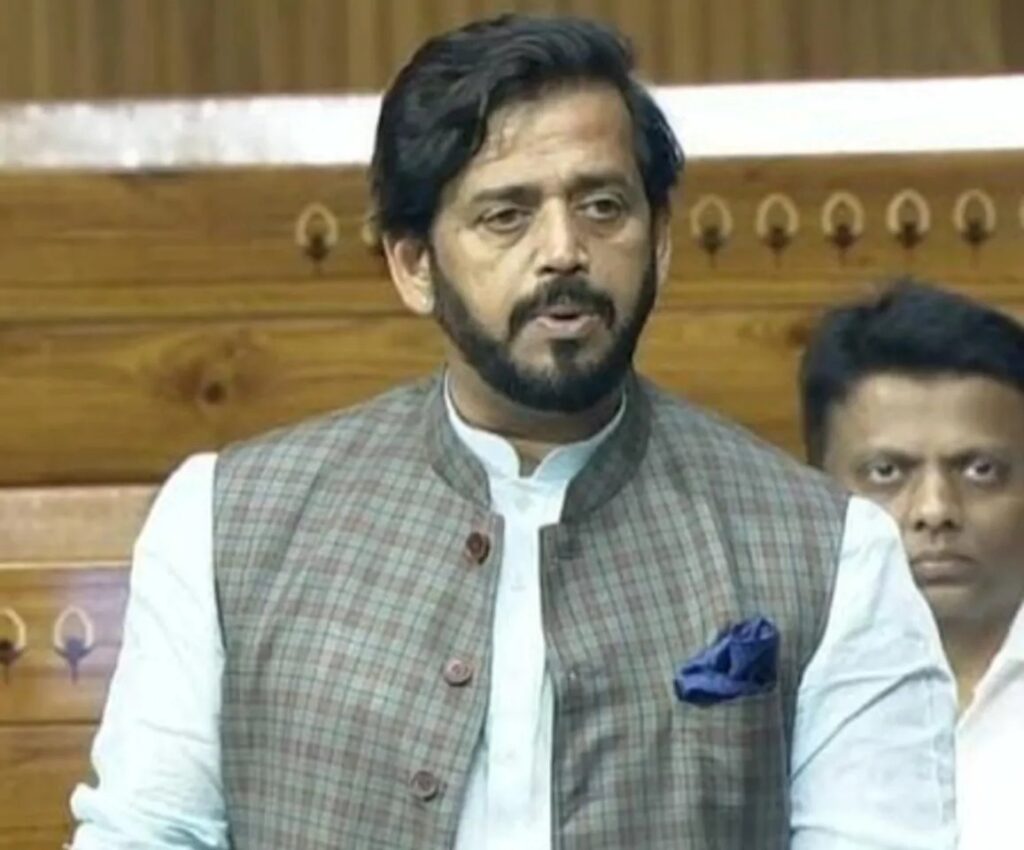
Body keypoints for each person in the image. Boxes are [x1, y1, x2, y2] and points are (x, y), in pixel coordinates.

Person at [70, 15, 956, 850]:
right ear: (414, 265)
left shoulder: (830, 550)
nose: (564, 249)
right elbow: (147, 834)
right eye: (506, 215)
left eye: (603, 206)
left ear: (659, 242)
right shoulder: (226, 523)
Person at [801, 279, 1024, 850]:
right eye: (887, 472)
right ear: (815, 487)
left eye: (980, 470)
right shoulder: (768, 695)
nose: (935, 511)